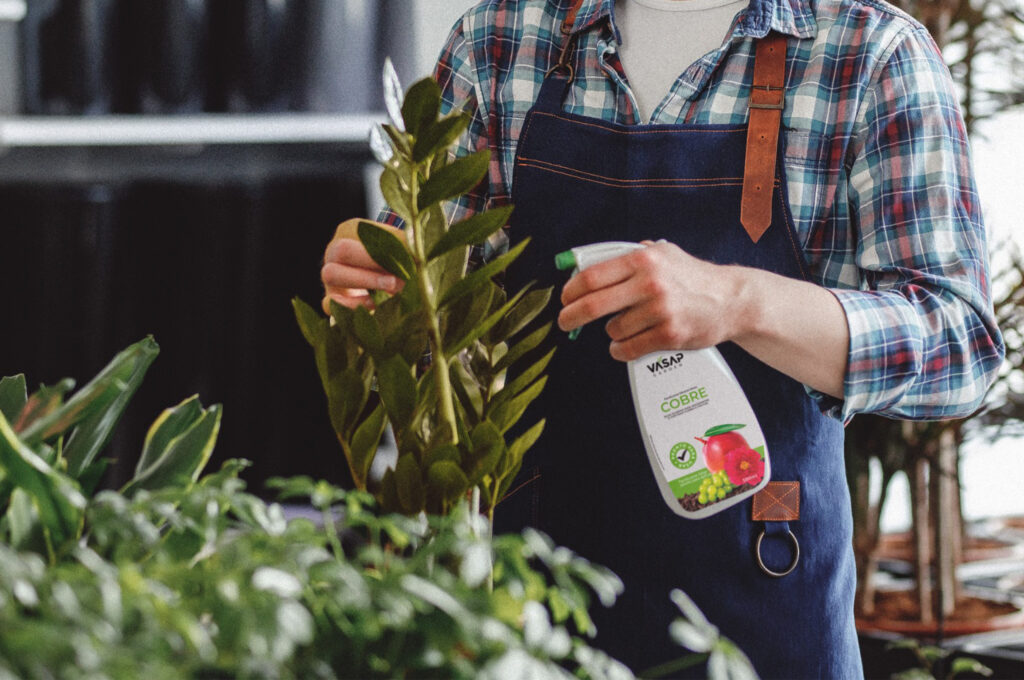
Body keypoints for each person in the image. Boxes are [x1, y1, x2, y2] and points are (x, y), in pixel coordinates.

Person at [321, 0, 1005, 676]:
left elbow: (958, 346)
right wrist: (380, 287)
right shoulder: (497, 39)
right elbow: (432, 330)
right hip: (528, 616)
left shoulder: (870, 53)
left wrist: (740, 300)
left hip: (765, 606)